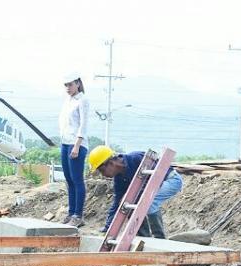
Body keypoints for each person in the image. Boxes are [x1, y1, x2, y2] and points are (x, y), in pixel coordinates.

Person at [86, 145, 184, 239]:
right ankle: (144, 237)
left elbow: (157, 179)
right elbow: (117, 203)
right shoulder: (119, 178)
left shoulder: (136, 158)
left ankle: (159, 238)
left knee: (150, 202)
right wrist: (107, 228)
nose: (103, 175)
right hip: (154, 187)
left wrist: (139, 197)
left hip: (170, 180)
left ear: (111, 163)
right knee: (129, 204)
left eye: (102, 171)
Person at [58, 73, 90, 228]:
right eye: (65, 85)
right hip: (65, 142)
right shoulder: (67, 101)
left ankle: (78, 215)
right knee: (69, 180)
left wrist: (77, 145)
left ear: (77, 83)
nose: (67, 88)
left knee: (77, 179)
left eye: (70, 85)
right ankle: (71, 213)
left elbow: (83, 124)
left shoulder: (82, 100)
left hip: (77, 143)